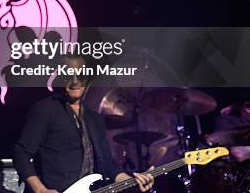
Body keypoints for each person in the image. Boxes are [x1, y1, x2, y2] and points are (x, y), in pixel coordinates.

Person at [13, 56, 155, 193]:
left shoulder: (94, 118)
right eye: (69, 75)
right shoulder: (45, 109)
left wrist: (133, 182)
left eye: (80, 75)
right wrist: (40, 189)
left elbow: (108, 165)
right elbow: (21, 152)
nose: (75, 81)